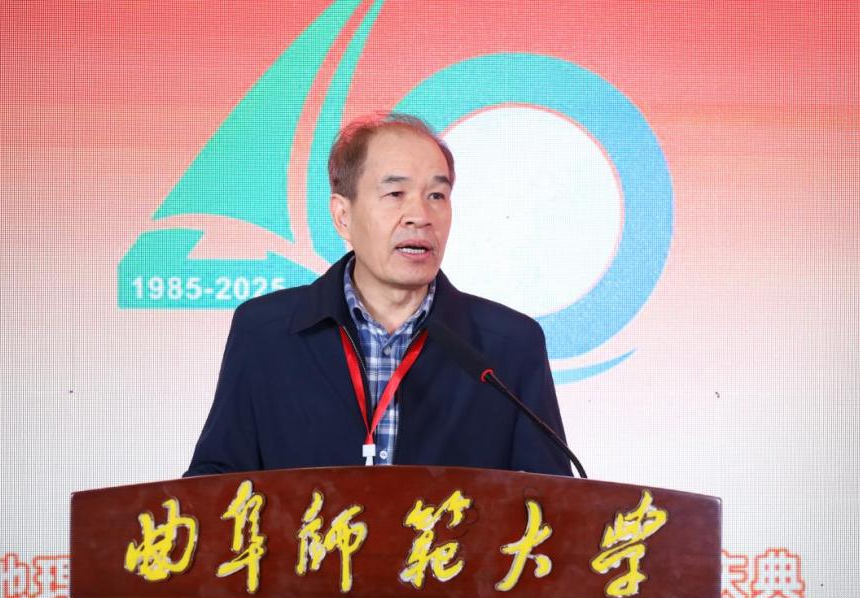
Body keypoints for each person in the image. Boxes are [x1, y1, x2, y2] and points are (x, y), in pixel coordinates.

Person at [183, 112, 571, 476]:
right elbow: (214, 485)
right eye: (395, 193)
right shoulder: (266, 332)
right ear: (343, 216)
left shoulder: (508, 347)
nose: (420, 216)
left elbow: (552, 503)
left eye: (437, 195)